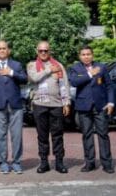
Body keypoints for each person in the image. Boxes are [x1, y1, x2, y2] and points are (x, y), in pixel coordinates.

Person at [68, 45, 115, 173]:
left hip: (100, 106)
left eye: (88, 54)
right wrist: (89, 74)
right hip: (83, 107)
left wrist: (111, 102)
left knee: (103, 134)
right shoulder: (74, 68)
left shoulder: (101, 67)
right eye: (83, 54)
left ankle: (107, 163)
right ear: (80, 56)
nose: (86, 56)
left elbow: (109, 86)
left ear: (92, 55)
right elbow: (74, 82)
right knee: (87, 135)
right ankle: (90, 163)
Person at [27, 40, 71, 174]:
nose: (43, 53)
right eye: (41, 51)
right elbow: (34, 78)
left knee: (58, 135)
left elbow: (64, 84)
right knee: (42, 135)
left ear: (49, 51)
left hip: (56, 104)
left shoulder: (58, 65)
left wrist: (66, 102)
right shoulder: (32, 65)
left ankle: (59, 162)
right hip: (39, 104)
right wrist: (48, 70)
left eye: (46, 50)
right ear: (37, 51)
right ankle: (44, 162)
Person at [0, 40, 28, 174]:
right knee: (0, 136)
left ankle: (16, 162)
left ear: (8, 50)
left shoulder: (16, 65)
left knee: (16, 135)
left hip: (15, 105)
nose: (2, 50)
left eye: (4, 48)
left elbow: (24, 79)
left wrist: (11, 73)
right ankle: (3, 162)